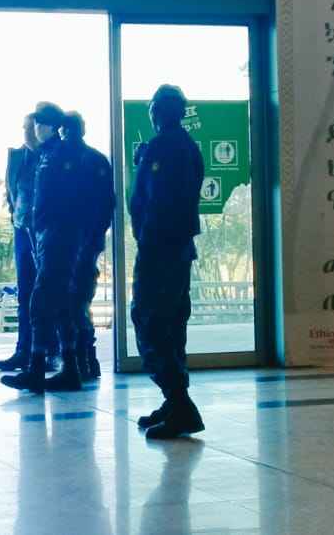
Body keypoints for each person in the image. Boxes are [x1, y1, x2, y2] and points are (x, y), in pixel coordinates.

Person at [129, 85, 206, 439]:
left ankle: (179, 402)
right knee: (171, 323)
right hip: (174, 249)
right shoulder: (185, 146)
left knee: (152, 320)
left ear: (158, 111)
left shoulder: (166, 147)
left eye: (153, 108)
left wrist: (147, 239)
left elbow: (156, 202)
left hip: (161, 249)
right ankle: (175, 401)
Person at [2, 102, 84, 393]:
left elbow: (61, 201)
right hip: (45, 236)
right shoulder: (51, 154)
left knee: (45, 302)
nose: (33, 130)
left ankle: (43, 368)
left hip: (56, 238)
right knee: (53, 303)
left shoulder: (59, 156)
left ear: (47, 126)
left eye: (36, 124)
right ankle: (58, 367)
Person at [60, 111, 113, 382]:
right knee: (79, 301)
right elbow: (108, 206)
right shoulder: (96, 159)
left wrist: (89, 236)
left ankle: (83, 360)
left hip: (74, 243)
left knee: (74, 302)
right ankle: (86, 360)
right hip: (85, 242)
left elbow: (106, 205)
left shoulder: (68, 160)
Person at [0, 113, 41, 372]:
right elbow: (13, 193)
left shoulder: (51, 155)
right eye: (23, 127)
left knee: (50, 293)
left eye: (29, 127)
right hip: (22, 230)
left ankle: (50, 352)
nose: (25, 131)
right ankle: (24, 350)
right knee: (25, 293)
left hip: (48, 233)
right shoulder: (16, 157)